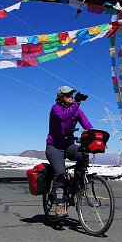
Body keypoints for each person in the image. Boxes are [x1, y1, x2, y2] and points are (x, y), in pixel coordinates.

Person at [45, 85, 93, 218]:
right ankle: (59, 205)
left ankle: (75, 186)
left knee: (83, 155)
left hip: (68, 145)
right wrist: (76, 103)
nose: (71, 96)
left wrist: (94, 135)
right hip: (54, 146)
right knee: (60, 172)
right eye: (68, 95)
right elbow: (63, 117)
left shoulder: (77, 110)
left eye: (72, 95)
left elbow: (87, 124)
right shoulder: (56, 109)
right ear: (60, 97)